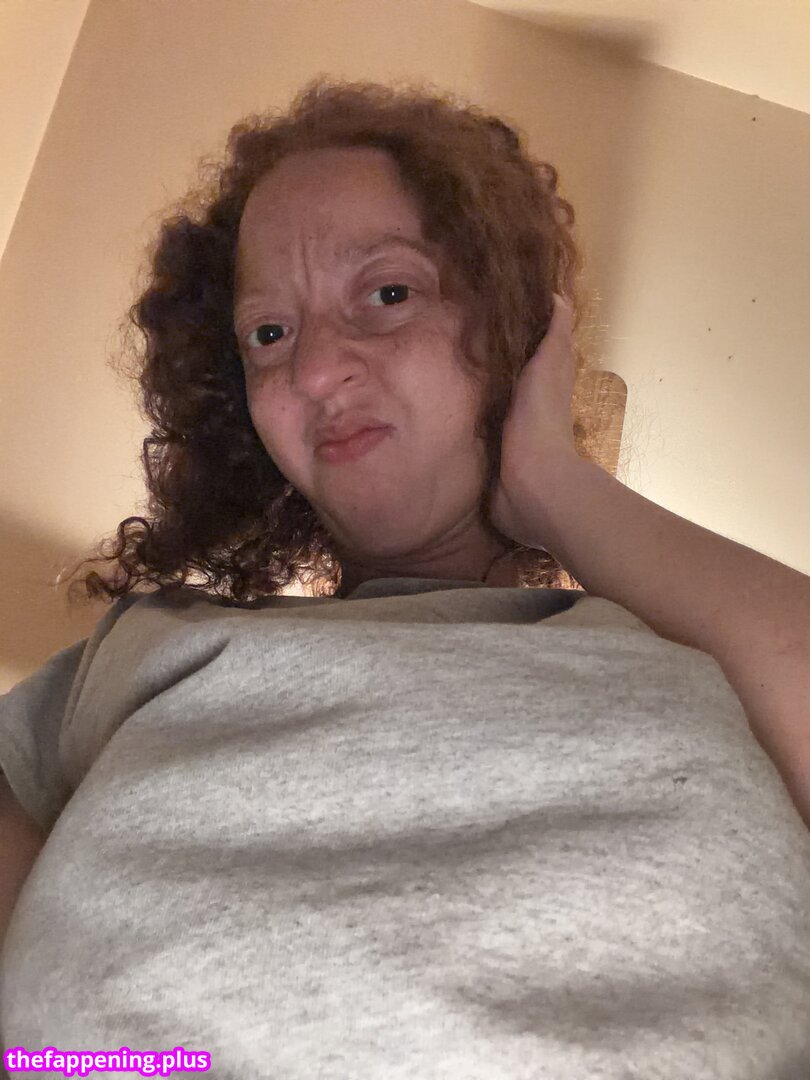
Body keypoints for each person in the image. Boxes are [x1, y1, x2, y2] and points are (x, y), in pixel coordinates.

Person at [1, 78, 809, 1080]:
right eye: (269, 334)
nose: (313, 372)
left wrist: (552, 483)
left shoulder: (704, 647)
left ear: (511, 330)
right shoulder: (146, 644)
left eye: (389, 294)